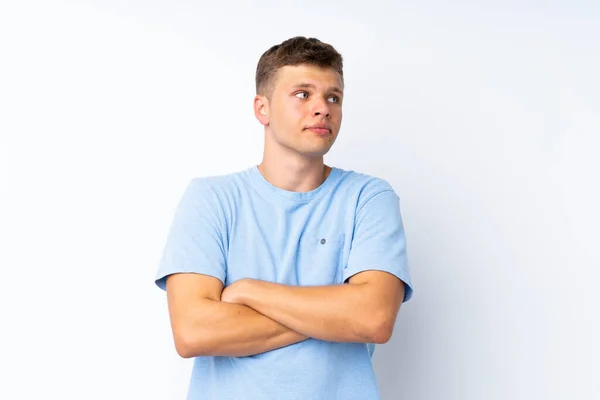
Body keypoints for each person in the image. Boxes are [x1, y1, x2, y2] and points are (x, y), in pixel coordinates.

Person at [155, 36, 414, 400]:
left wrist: (248, 291)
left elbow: (373, 319)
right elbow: (194, 332)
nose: (322, 108)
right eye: (303, 94)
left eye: (333, 97)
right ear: (262, 109)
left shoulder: (368, 198)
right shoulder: (211, 199)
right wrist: (337, 315)